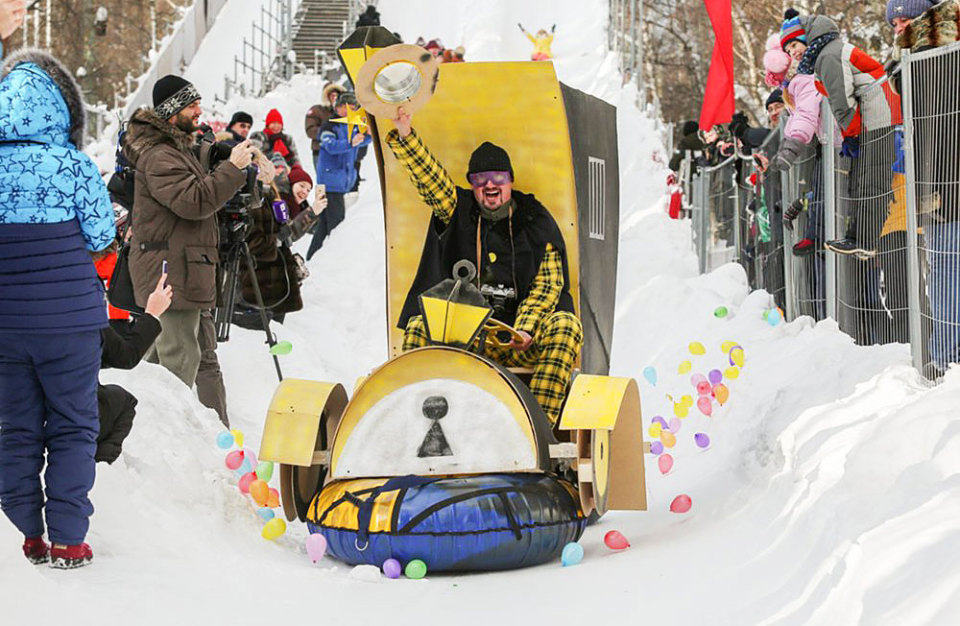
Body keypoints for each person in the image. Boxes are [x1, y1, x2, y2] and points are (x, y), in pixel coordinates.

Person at [386, 107, 582, 425]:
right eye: (480, 180)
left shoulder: (536, 220)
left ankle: (537, 429)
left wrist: (525, 328)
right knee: (419, 325)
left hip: (519, 340)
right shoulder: (459, 209)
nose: (490, 185)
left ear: (510, 181)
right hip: (465, 339)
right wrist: (406, 134)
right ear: (472, 185)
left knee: (566, 326)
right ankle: (414, 424)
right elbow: (430, 181)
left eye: (498, 178)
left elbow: (547, 286)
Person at [0, 48, 115, 569]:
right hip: (69, 322)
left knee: (16, 427)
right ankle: (69, 539)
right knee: (72, 426)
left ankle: (27, 536)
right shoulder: (73, 165)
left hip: (5, 325)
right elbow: (102, 236)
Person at [122, 75, 252, 424]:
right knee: (177, 361)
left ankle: (149, 432)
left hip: (181, 268)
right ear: (172, 111)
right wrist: (232, 168)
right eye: (192, 105)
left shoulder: (172, 151)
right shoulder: (160, 156)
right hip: (171, 272)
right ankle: (169, 436)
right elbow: (194, 202)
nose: (199, 111)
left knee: (159, 360)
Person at [780, 9, 901, 258]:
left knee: (872, 180)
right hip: (871, 119)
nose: (793, 53)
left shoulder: (828, 55)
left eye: (794, 45)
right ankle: (858, 238)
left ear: (807, 37)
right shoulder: (824, 57)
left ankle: (864, 240)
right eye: (788, 51)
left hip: (879, 117)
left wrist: (851, 134)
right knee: (859, 180)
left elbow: (842, 101)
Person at [890, 0, 960, 376]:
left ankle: (946, 357)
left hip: (943, 178)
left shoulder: (922, 59)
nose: (898, 26)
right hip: (940, 178)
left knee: (945, 268)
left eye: (905, 19)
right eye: (894, 22)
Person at [96, 271, 171, 464]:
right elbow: (126, 356)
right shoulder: (83, 317)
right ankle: (100, 463)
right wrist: (152, 314)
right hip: (72, 411)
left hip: (27, 411)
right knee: (124, 401)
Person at [239, 165, 327, 325]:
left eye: (308, 190)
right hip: (262, 277)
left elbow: (285, 235)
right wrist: (311, 212)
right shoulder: (276, 200)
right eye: (301, 186)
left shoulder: (285, 202)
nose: (304, 192)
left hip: (270, 278)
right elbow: (281, 235)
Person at [306, 92, 371, 260]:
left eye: (353, 108)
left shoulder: (352, 126)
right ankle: (333, 260)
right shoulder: (329, 125)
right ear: (339, 108)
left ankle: (312, 258)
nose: (350, 111)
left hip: (340, 182)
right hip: (329, 182)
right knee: (336, 224)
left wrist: (369, 135)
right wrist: (351, 142)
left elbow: (361, 141)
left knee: (324, 225)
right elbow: (330, 145)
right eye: (347, 107)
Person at [305, 83, 345, 169]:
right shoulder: (317, 110)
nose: (334, 98)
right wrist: (328, 133)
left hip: (342, 152)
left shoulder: (345, 112)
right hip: (321, 151)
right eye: (332, 96)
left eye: (337, 96)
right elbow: (310, 130)